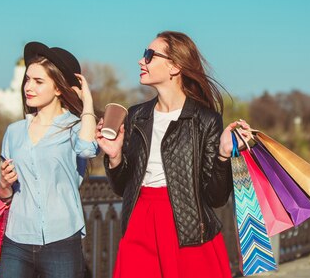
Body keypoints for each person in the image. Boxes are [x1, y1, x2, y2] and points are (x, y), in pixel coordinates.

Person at [96, 31, 250, 278]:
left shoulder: (205, 120)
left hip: (188, 228)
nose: (140, 61)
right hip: (139, 222)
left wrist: (223, 155)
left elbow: (216, 197)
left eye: (149, 55)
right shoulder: (136, 116)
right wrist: (114, 157)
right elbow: (122, 187)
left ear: (175, 67)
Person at [0, 41, 99, 278]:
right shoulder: (13, 132)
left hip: (62, 240)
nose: (28, 87)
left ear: (58, 89)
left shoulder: (75, 128)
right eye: (27, 80)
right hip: (16, 240)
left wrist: (87, 103)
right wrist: (4, 185)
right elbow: (6, 194)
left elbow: (87, 150)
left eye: (38, 81)